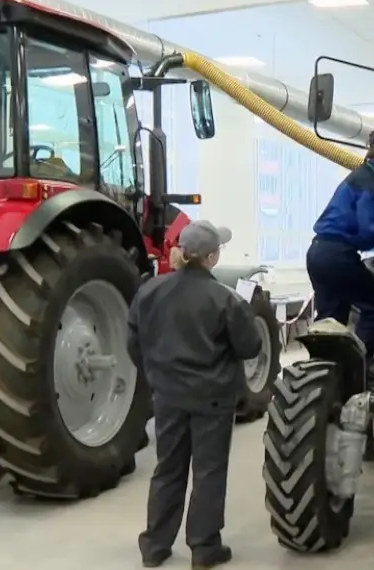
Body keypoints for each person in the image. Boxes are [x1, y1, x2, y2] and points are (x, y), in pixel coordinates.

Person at [128, 220, 263, 569]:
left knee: (167, 469)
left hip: (168, 396)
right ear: (212, 257)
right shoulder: (224, 299)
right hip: (212, 399)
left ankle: (155, 545)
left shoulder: (150, 292)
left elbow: (133, 342)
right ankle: (204, 548)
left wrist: (158, 377)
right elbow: (251, 346)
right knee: (208, 472)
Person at [305, 128, 374, 355]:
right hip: (337, 256)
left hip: (317, 253)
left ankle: (329, 369)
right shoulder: (371, 182)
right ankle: (357, 364)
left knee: (332, 321)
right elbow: (371, 227)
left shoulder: (361, 175)